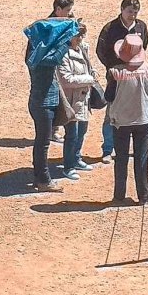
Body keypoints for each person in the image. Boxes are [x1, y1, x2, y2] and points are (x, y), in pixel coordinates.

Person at [22, 15, 82, 193]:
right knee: (43, 142)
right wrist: (67, 42)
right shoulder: (41, 57)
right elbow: (54, 59)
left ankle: (41, 177)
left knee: (43, 141)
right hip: (43, 104)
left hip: (44, 102)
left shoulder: (35, 51)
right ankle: (43, 179)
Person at [103, 34, 148, 204]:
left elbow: (108, 96)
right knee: (141, 158)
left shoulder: (115, 72)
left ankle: (119, 196)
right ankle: (144, 196)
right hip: (143, 119)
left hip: (121, 122)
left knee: (121, 159)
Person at [95, 0, 148, 163]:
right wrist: (112, 67)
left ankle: (132, 148)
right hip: (116, 76)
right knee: (112, 112)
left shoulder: (141, 26)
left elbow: (144, 46)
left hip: (135, 75)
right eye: (130, 11)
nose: (133, 15)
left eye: (135, 12)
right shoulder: (110, 28)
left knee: (136, 110)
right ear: (122, 10)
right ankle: (108, 149)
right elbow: (101, 50)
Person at [26, 0, 74, 143]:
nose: (70, 13)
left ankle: (55, 129)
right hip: (51, 68)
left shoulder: (63, 22)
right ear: (58, 9)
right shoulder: (48, 27)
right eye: (67, 10)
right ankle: (54, 130)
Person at [54, 20, 98, 181]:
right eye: (77, 35)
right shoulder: (63, 54)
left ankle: (77, 158)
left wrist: (93, 73)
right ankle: (68, 166)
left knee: (82, 132)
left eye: (82, 35)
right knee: (72, 135)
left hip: (83, 99)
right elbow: (66, 79)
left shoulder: (82, 50)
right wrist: (89, 79)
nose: (80, 38)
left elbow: (89, 68)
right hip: (71, 101)